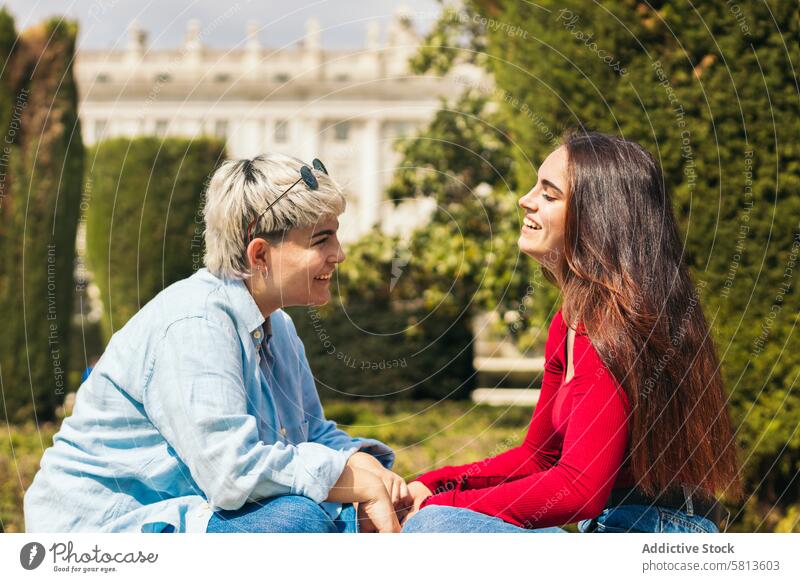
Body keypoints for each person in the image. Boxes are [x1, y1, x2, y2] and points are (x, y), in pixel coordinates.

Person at [25, 154, 409, 533]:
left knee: (383, 516)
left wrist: (369, 469)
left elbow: (312, 434)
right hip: (103, 534)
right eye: (321, 241)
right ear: (259, 253)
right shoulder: (195, 324)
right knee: (296, 520)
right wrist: (345, 478)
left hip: (192, 516)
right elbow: (232, 473)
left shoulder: (279, 326)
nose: (338, 254)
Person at [402, 130, 742, 534]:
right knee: (440, 518)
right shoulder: (570, 320)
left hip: (660, 529)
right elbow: (538, 457)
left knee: (438, 527)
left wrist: (441, 508)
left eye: (549, 194)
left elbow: (579, 489)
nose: (525, 200)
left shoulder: (614, 323)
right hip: (611, 525)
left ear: (597, 215)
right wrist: (435, 484)